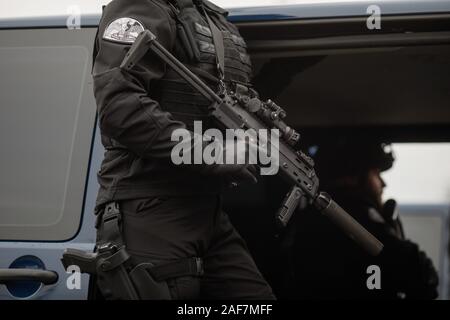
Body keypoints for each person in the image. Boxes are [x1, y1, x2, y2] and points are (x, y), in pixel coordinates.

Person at [91, 0, 274, 299]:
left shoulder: (209, 17)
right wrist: (213, 152)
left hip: (204, 207)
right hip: (150, 205)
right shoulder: (142, 6)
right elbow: (118, 108)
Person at [282, 139, 439, 299]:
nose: (382, 183)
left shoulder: (310, 216)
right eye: (376, 173)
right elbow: (417, 269)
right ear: (353, 176)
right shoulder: (352, 214)